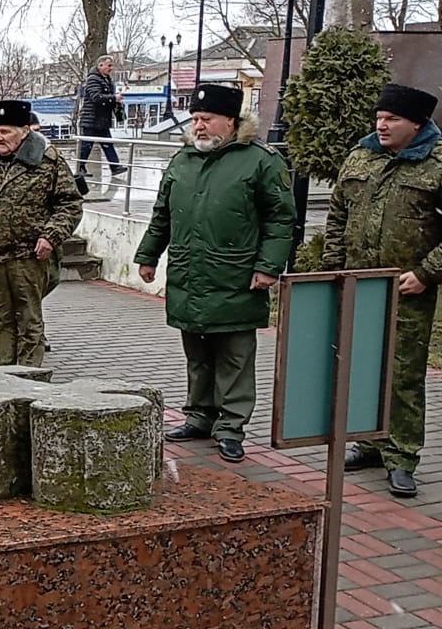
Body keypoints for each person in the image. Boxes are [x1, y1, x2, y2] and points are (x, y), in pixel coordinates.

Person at [135, 84, 295, 463]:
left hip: (238, 276)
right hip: (191, 275)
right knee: (198, 353)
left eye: (206, 119)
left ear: (231, 120)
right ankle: (199, 416)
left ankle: (231, 427)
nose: (199, 126)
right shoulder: (183, 160)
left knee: (235, 357)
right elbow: (163, 215)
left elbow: (280, 219)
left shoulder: (261, 161)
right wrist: (148, 256)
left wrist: (268, 267)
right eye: (195, 119)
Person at [328, 84, 442, 498]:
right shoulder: (362, 156)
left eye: (392, 119)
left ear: (417, 123)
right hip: (358, 284)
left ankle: (402, 456)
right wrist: (332, 271)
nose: (382, 125)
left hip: (407, 289)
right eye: (379, 117)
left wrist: (427, 272)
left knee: (403, 375)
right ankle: (368, 442)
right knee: (360, 368)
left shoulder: (436, 164)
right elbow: (338, 213)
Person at [0, 100, 82, 367]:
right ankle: (4, 374)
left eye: (6, 132)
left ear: (24, 131)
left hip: (29, 256)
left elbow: (70, 204)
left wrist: (51, 235)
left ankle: (28, 377)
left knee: (28, 320)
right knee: (1, 319)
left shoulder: (47, 161)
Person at [77, 55, 127, 177]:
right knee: (87, 145)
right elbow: (96, 97)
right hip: (92, 118)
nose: (111, 68)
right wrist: (114, 98)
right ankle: (80, 168)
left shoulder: (105, 79)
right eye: (109, 65)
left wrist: (115, 99)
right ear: (100, 65)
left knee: (107, 143)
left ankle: (115, 166)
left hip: (100, 119)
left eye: (112, 65)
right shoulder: (94, 79)